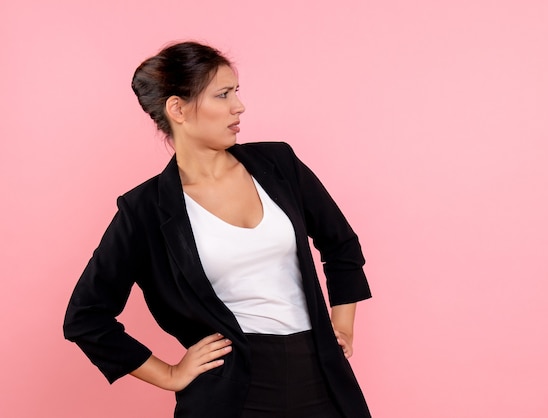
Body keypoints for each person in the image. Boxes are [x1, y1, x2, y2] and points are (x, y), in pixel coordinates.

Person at [63, 41, 372, 418]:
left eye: (236, 92)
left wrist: (341, 326)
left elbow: (341, 243)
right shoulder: (144, 210)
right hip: (231, 392)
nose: (238, 106)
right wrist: (169, 374)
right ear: (177, 108)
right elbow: (86, 316)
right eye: (223, 95)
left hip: (321, 373)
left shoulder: (279, 164)